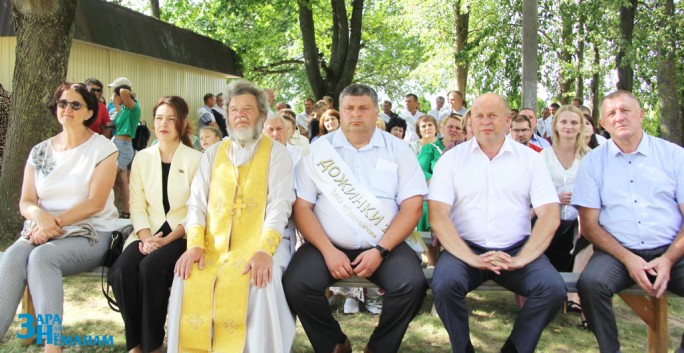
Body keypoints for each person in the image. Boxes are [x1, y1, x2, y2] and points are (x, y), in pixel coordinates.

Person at [283, 84, 428, 353]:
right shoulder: (318, 151)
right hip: (326, 246)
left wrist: (381, 250)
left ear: (376, 113)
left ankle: (380, 347)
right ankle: (334, 344)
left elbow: (413, 206)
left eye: (363, 108)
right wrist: (328, 251)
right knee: (296, 283)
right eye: (349, 108)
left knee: (413, 284)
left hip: (386, 246)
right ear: (340, 111)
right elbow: (302, 207)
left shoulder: (398, 150)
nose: (356, 114)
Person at [428, 93, 565, 353]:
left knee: (552, 289)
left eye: (493, 115)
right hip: (464, 249)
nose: (485, 121)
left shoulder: (531, 160)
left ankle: (514, 349)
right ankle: (463, 349)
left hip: (516, 249)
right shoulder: (451, 160)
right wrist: (472, 258)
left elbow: (550, 215)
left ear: (507, 121)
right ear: (471, 121)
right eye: (479, 116)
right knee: (444, 285)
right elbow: (438, 216)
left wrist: (523, 258)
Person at [166, 80, 295, 353]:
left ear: (261, 114)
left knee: (261, 280)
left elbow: (280, 206)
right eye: (234, 110)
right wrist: (194, 246)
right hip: (214, 245)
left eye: (248, 109)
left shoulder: (277, 154)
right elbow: (196, 203)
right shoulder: (213, 153)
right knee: (187, 275)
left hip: (264, 241)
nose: (240, 115)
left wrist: (264, 250)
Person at [0, 82, 119, 352]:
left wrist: (53, 224)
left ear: (89, 112)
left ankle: (52, 347)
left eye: (75, 104)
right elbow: (26, 201)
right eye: (62, 103)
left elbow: (95, 203)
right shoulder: (40, 151)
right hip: (40, 228)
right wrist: (40, 217)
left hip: (90, 232)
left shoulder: (103, 150)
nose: (67, 109)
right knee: (12, 257)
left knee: (43, 257)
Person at [573, 90, 684, 353]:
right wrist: (627, 258)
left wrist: (668, 259)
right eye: (611, 113)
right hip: (617, 253)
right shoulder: (592, 162)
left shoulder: (674, 156)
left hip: (673, 250)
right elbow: (589, 225)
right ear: (603, 123)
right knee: (590, 283)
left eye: (625, 110)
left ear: (641, 115)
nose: (619, 117)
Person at [107, 96, 202, 353]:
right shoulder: (142, 158)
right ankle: (136, 344)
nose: (164, 123)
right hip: (145, 232)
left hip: (180, 236)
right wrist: (147, 238)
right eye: (159, 117)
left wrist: (164, 241)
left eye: (171, 118)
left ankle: (153, 344)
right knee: (121, 271)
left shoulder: (196, 159)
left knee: (150, 268)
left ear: (181, 124)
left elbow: (196, 209)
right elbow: (136, 205)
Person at [417, 114, 464, 267]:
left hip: (459, 197)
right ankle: (432, 263)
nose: (453, 130)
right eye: (450, 127)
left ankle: (455, 262)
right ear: (442, 128)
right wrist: (434, 180)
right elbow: (420, 170)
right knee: (427, 209)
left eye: (458, 128)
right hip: (436, 194)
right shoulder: (430, 148)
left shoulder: (465, 149)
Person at [109, 77, 141, 219]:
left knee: (110, 178)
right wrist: (116, 104)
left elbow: (123, 91)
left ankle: (112, 209)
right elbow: (119, 121)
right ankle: (119, 210)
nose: (114, 96)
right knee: (118, 180)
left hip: (124, 146)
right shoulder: (124, 110)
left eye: (116, 94)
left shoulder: (134, 108)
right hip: (115, 143)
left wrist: (122, 92)